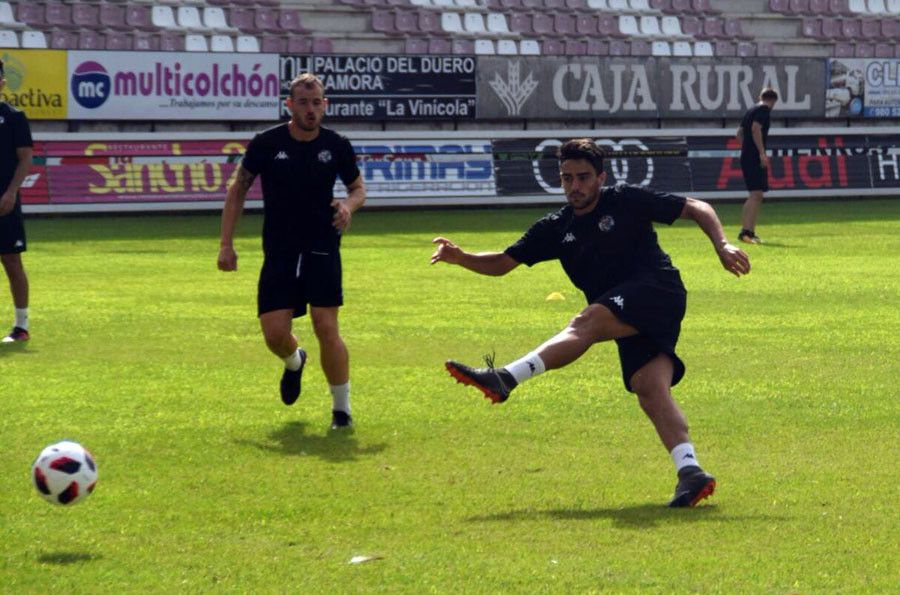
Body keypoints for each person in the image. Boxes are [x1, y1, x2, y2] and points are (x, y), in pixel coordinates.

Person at [431, 138, 750, 507]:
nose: (575, 187)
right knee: (648, 387)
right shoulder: (556, 227)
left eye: (583, 177)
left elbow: (696, 207)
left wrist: (722, 245)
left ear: (601, 177)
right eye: (567, 178)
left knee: (587, 321)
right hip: (623, 308)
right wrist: (462, 257)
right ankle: (691, 471)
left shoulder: (624, 199)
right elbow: (503, 262)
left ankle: (506, 377)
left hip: (658, 290)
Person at [218, 73, 366, 430]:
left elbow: (358, 188)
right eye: (303, 102)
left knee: (326, 325)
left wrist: (348, 205)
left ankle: (341, 411)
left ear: (325, 105)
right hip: (281, 248)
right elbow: (238, 189)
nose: (311, 110)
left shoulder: (337, 145)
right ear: (289, 105)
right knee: (274, 335)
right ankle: (294, 361)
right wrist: (226, 243)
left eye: (317, 103)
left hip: (322, 244)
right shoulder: (266, 143)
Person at [0, 59, 34, 344]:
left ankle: (21, 326)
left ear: (2, 83)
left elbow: (25, 159)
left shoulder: (14, 117)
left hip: (3, 201)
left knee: (11, 260)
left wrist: (11, 192)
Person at [736, 88, 778, 244]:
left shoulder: (751, 110)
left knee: (756, 194)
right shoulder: (764, 110)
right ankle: (745, 232)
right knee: (756, 194)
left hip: (747, 156)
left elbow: (739, 133)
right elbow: (755, 129)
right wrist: (761, 152)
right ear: (773, 101)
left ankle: (749, 232)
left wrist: (746, 148)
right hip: (754, 157)